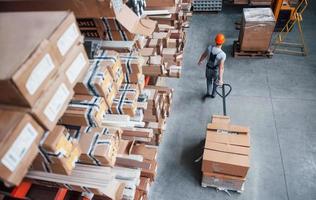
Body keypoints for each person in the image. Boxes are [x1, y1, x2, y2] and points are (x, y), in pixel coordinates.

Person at [198, 33, 226, 98]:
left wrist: (200, 61)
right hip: (215, 70)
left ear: (215, 41)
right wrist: (221, 79)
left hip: (208, 68)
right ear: (222, 42)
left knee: (209, 80)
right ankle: (213, 94)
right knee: (216, 82)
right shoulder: (222, 54)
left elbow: (204, 55)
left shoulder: (210, 48)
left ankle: (208, 92)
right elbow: (221, 67)